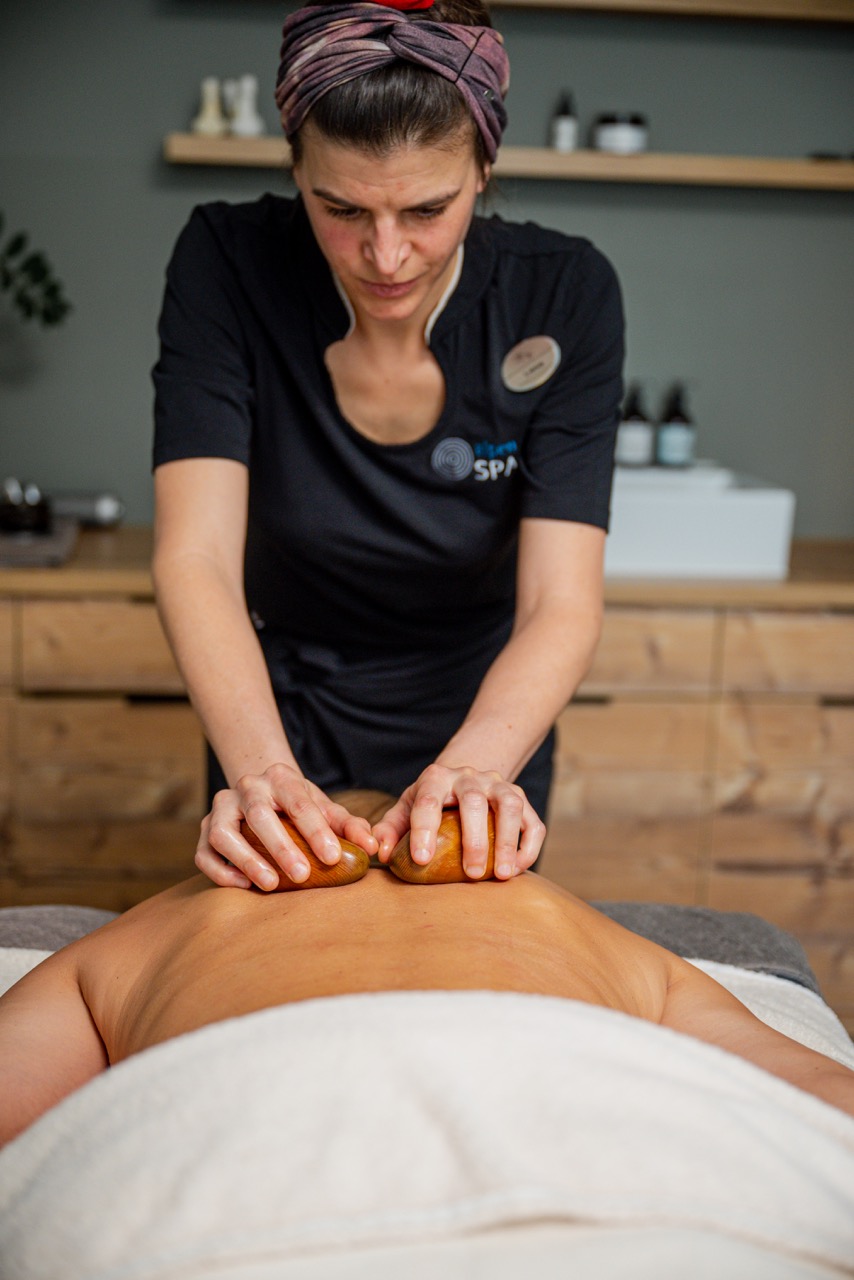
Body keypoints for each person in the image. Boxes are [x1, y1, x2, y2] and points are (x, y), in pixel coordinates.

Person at [151, 0, 624, 895]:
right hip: (279, 701)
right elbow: (196, 555)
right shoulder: (227, 262)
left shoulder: (565, 293)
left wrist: (479, 771)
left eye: (426, 209)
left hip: (483, 709)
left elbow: (562, 599)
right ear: (294, 165)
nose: (386, 254)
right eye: (340, 208)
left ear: (483, 169)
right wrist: (261, 775)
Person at [1, 802, 852, 1148]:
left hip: (245, 1129)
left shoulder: (165, 919)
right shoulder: (567, 918)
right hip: (569, 1126)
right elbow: (816, 1094)